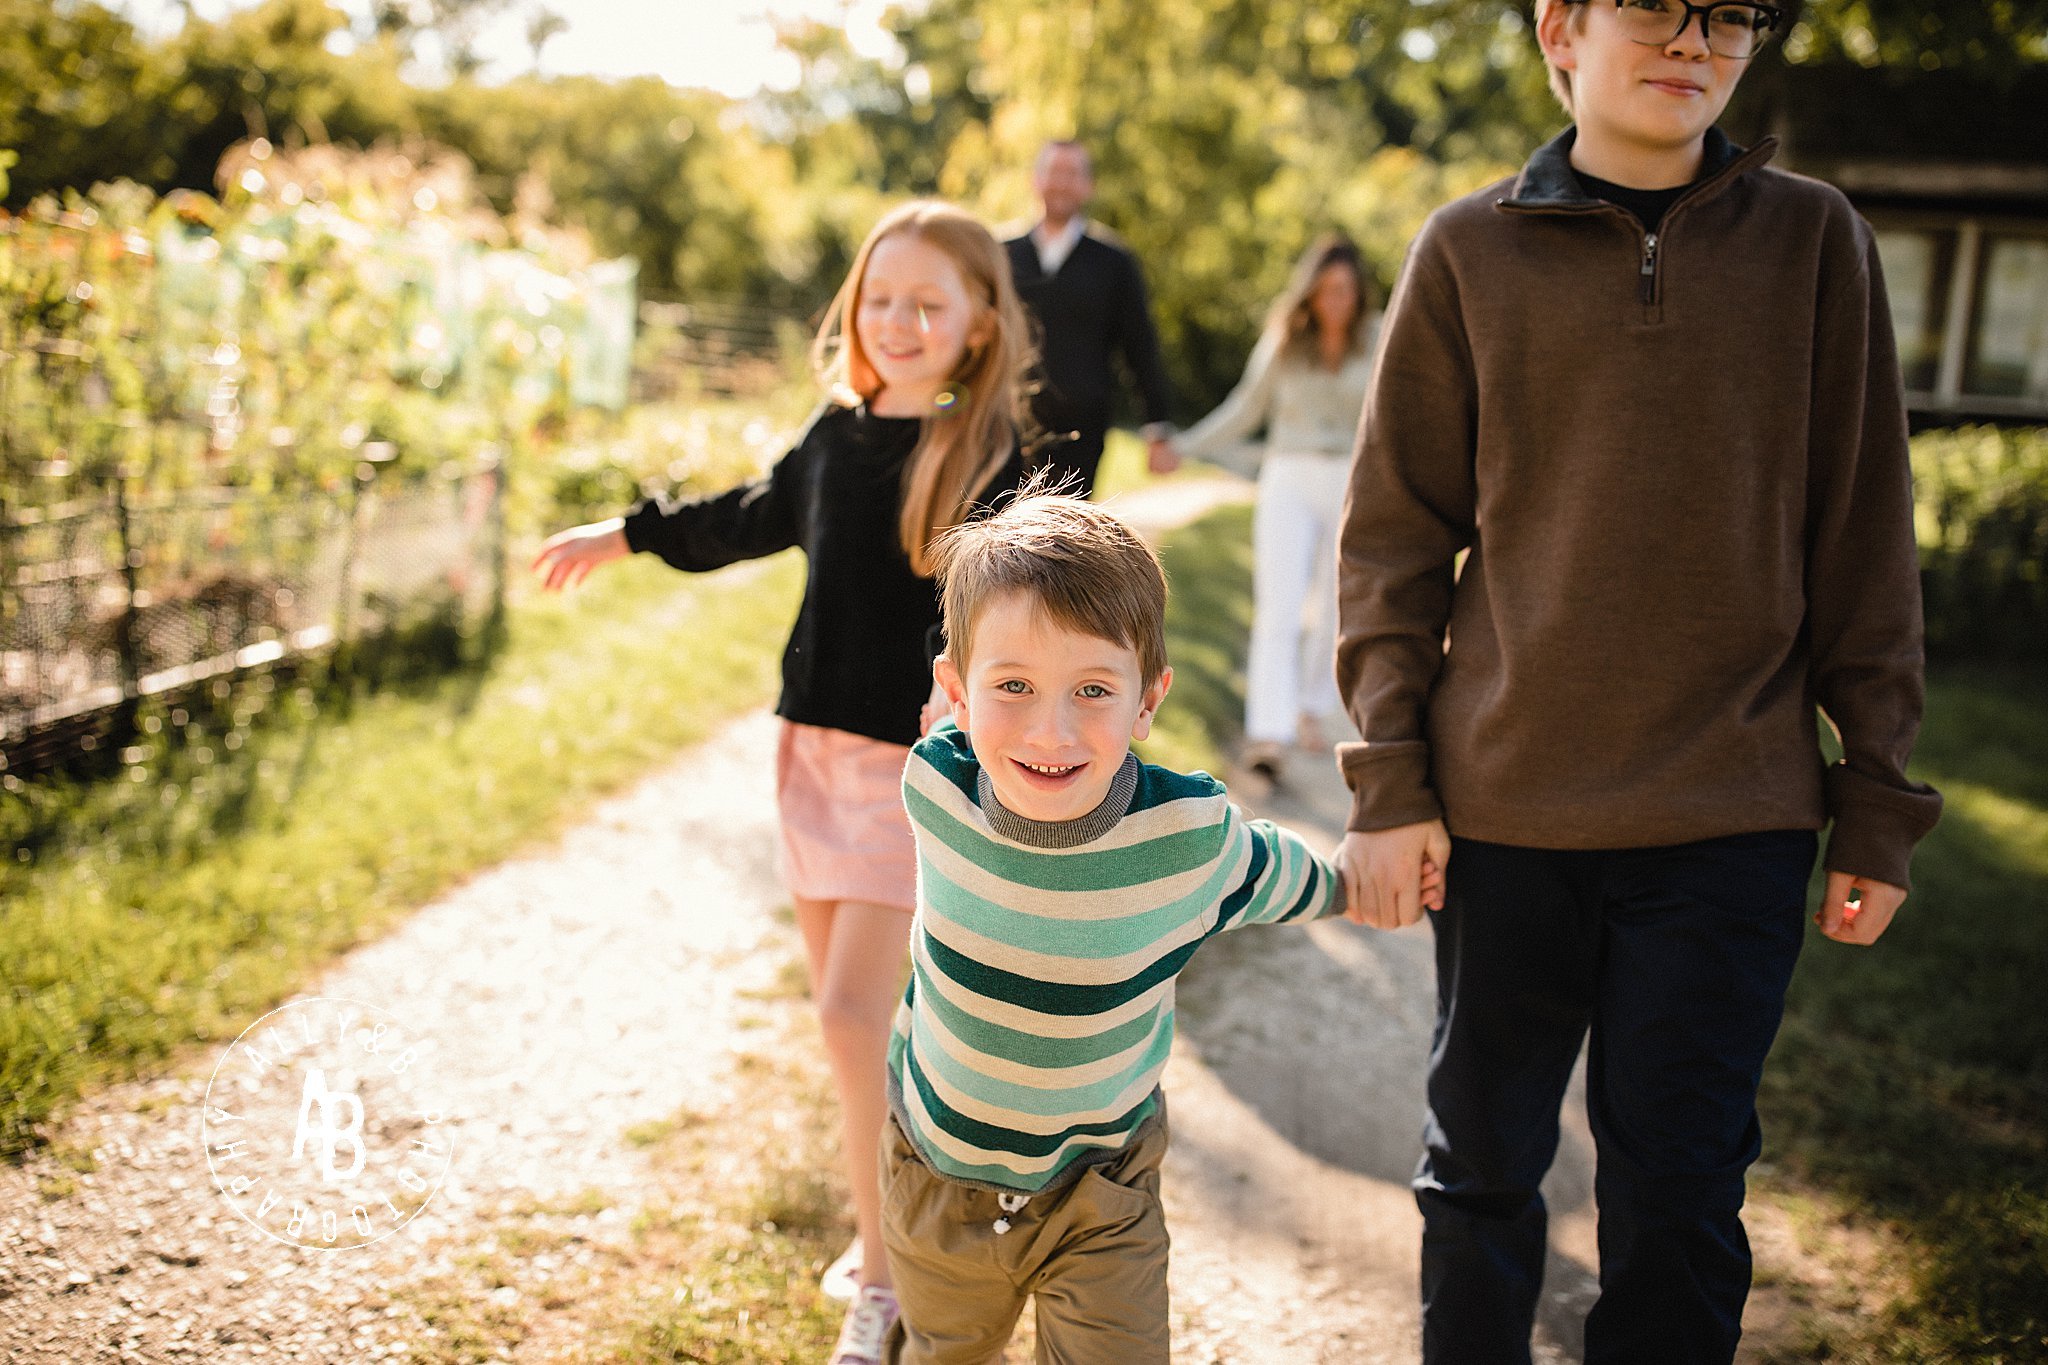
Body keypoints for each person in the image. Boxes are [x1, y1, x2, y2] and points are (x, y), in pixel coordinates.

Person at [1332, 1, 1945, 1361]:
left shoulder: (1814, 242)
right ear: (1562, 25)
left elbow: (1864, 533)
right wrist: (1389, 785)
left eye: (1729, 15)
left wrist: (1880, 802)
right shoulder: (1468, 252)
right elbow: (1391, 546)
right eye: (1656, 6)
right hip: (1506, 818)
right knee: (1481, 1175)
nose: (1694, 40)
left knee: (1676, 1202)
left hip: (1735, 816)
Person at [529, 201, 1034, 1365]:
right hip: (808, 753)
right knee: (860, 1025)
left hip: (918, 777)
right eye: (879, 300)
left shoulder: (990, 456)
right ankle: (904, 1222)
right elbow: (744, 519)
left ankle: (886, 1274)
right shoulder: (834, 435)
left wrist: (979, 703)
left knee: (853, 1015)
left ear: (975, 325)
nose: (899, 322)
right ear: (853, 312)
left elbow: (1022, 610)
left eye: (928, 304)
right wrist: (624, 536)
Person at [881, 487, 1359, 1363]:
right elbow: (952, 727)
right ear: (956, 689)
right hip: (938, 1170)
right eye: (1013, 685)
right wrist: (959, 715)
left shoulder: (1187, 841)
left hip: (1102, 1187)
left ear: (1148, 702)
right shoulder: (936, 783)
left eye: (1094, 688)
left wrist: (1357, 883)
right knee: (943, 1351)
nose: (1050, 729)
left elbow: (1287, 874)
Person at [1171, 233, 1381, 783]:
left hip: (1351, 479)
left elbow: (1396, 414)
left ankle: (1309, 707)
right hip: (1288, 474)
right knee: (1279, 607)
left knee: (1337, 605)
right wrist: (1185, 446)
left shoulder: (1378, 338)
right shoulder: (1285, 340)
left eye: (1346, 291)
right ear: (1309, 292)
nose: (1335, 300)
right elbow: (1245, 409)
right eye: (1326, 289)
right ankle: (1269, 731)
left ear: (1359, 296)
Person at [1005, 140, 1179, 495]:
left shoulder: (1113, 262)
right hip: (1005, 422)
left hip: (1081, 429)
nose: (1062, 183)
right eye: (1054, 172)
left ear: (1088, 185)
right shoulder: (1000, 253)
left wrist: (1156, 428)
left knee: (1063, 542)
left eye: (1073, 174)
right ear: (1035, 180)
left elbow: (1139, 346)